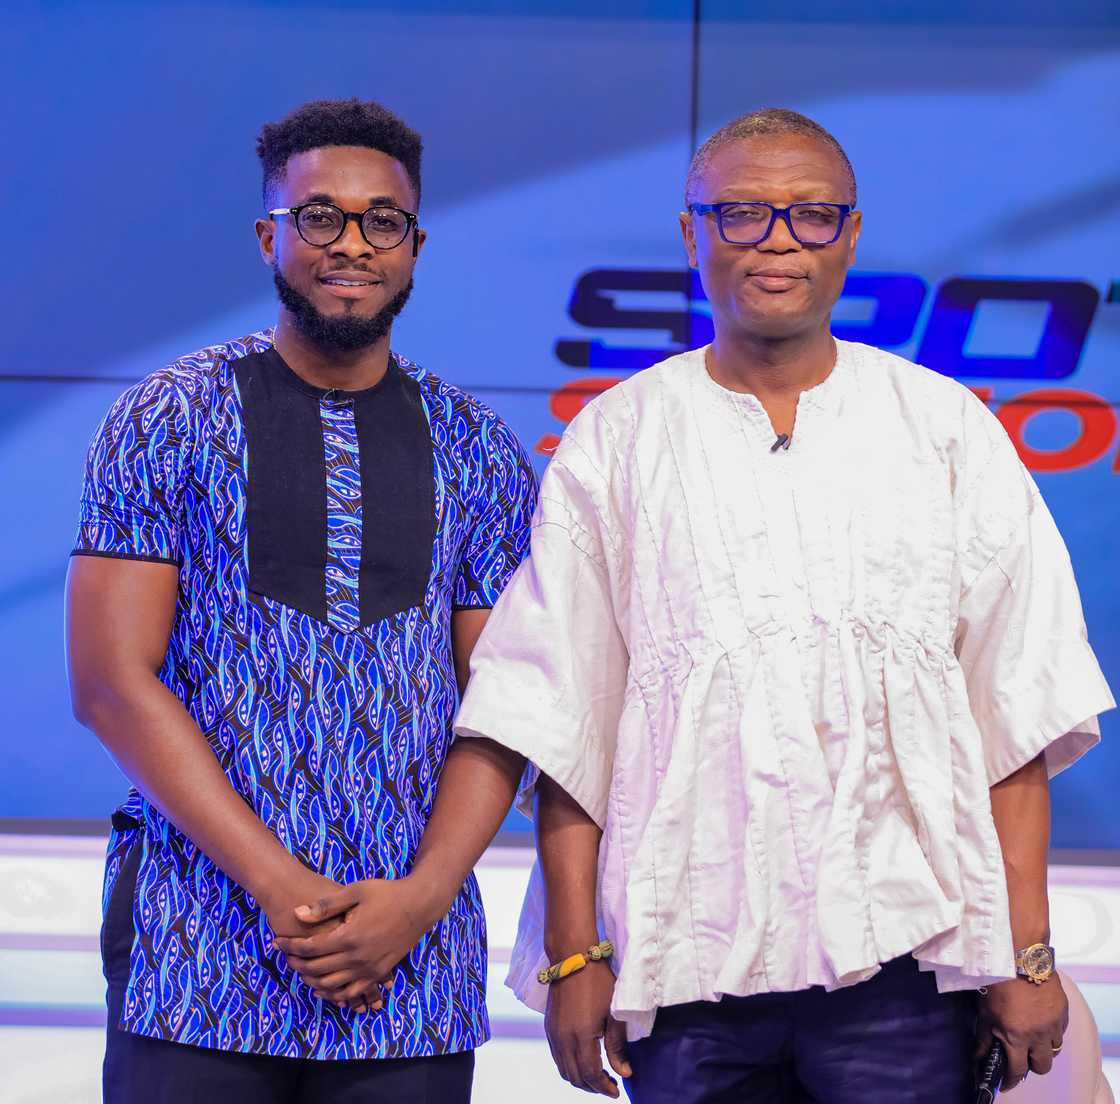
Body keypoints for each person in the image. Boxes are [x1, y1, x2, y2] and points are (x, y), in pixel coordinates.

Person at [448, 108, 1116, 1102]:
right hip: (684, 961)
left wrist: (1024, 953)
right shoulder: (617, 441)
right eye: (742, 214)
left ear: (849, 236)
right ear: (691, 234)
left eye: (810, 216)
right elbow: (566, 717)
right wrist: (573, 953)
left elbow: (1010, 713)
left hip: (905, 960)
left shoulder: (943, 429)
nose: (776, 241)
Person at [66, 98, 536, 1103]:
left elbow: (509, 701)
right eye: (320, 216)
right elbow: (111, 682)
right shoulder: (167, 418)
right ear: (268, 234)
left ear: (415, 244)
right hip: (197, 952)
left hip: (406, 964)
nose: (351, 243)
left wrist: (419, 899)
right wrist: (279, 887)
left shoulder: (479, 449)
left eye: (381, 220)